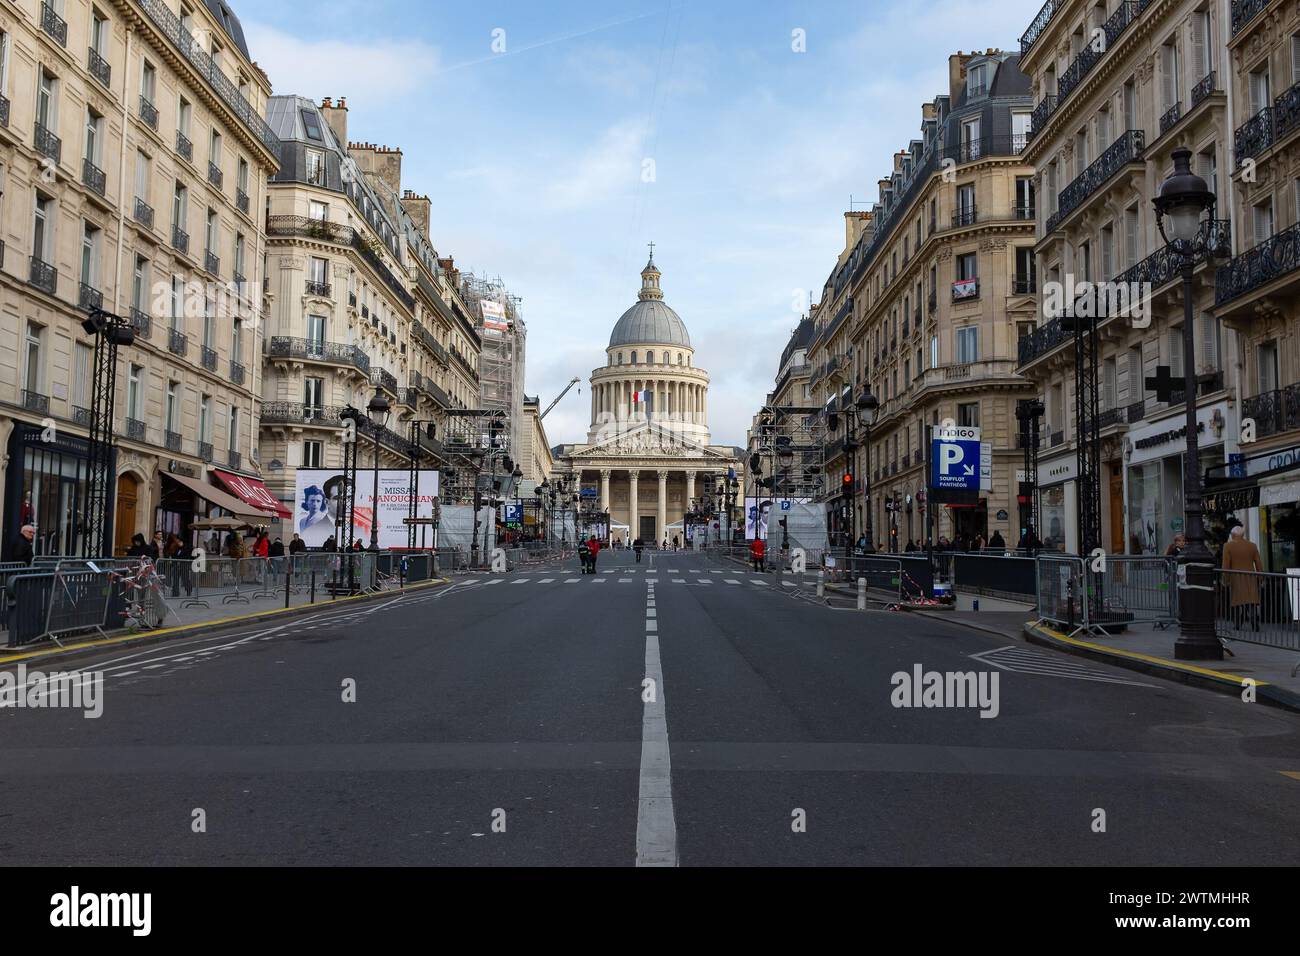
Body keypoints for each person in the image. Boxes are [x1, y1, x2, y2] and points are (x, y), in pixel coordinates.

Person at [1222, 525, 1263, 631]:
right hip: (1251, 577)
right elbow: (1258, 563)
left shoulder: (1228, 546)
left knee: (1236, 601)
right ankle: (1254, 622)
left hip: (1236, 577)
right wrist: (1261, 578)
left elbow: (1226, 564)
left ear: (1233, 535)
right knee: (1251, 600)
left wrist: (1225, 579)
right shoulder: (1252, 546)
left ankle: (1237, 624)